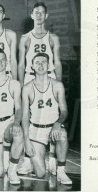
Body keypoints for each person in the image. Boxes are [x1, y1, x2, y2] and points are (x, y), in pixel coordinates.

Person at [18, 2, 62, 174]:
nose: (38, 15)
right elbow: (21, 64)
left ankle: (52, 157)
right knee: (30, 117)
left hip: (49, 77)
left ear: (46, 16)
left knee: (51, 114)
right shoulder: (25, 38)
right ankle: (28, 160)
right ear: (31, 15)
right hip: (31, 76)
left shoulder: (53, 38)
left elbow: (57, 62)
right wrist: (22, 85)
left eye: (42, 13)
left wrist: (58, 83)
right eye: (36, 12)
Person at [22, 52, 72, 184]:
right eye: (37, 62)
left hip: (52, 128)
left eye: (43, 62)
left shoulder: (57, 85)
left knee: (62, 135)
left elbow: (65, 111)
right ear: (32, 66)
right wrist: (26, 141)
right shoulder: (27, 88)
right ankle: (37, 159)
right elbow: (25, 117)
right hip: (36, 130)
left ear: (49, 65)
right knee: (40, 174)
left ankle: (61, 171)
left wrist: (58, 123)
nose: (40, 65)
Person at [0, 49, 23, 185]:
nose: (0, 62)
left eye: (3, 59)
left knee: (18, 133)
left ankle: (12, 169)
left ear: (7, 62)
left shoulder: (14, 84)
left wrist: (16, 122)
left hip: (8, 123)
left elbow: (19, 108)